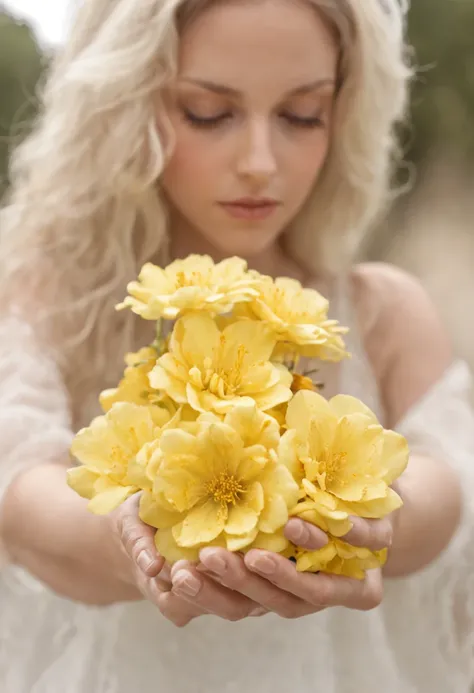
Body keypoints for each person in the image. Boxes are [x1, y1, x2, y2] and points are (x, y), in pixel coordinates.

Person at [0, 0, 473, 691]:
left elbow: (449, 481)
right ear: (123, 108)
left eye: (301, 114)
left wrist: (376, 517)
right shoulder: (43, 294)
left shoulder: (382, 309)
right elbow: (18, 488)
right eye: (208, 113)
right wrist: (138, 538)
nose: (259, 162)